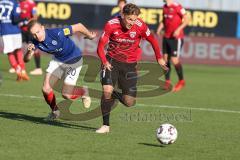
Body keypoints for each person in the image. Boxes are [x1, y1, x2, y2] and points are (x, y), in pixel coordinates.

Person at [96, 3, 167, 133]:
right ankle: (105, 125)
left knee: (129, 102)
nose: (132, 23)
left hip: (130, 65)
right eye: (129, 19)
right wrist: (104, 61)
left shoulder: (140, 26)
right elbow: (100, 46)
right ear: (122, 15)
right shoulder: (111, 24)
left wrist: (159, 57)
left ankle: (114, 94)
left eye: (134, 20)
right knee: (106, 91)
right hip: (111, 61)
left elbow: (153, 40)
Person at [24, 20, 96, 120]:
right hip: (58, 60)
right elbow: (26, 60)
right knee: (46, 89)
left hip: (74, 59)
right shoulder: (35, 42)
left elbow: (78, 26)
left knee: (66, 94)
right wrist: (28, 52)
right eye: (33, 34)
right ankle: (55, 112)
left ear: (42, 28)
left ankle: (83, 91)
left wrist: (90, 35)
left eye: (38, 32)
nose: (36, 36)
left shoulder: (57, 32)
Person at [156, 0, 189, 92]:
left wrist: (178, 29)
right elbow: (164, 20)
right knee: (165, 60)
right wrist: (159, 28)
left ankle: (181, 81)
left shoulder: (177, 6)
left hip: (176, 38)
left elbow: (186, 20)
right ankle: (167, 81)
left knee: (174, 60)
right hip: (166, 37)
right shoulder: (165, 7)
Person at [0, 0, 29, 81]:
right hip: (15, 30)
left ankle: (17, 69)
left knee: (10, 52)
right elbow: (15, 19)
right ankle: (23, 71)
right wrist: (24, 20)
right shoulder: (15, 3)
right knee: (18, 50)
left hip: (5, 30)